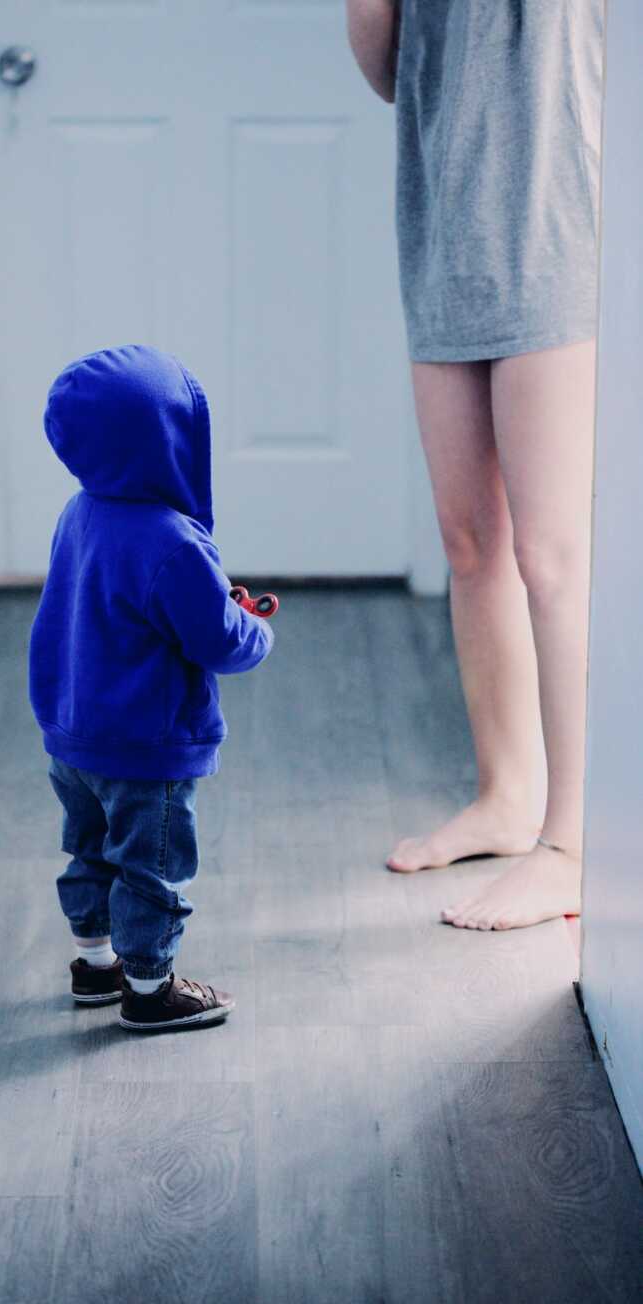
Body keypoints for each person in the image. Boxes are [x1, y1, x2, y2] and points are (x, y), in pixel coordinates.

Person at [347, 1, 604, 929]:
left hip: (557, 229)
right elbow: (387, 71)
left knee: (551, 554)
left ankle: (573, 843)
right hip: (445, 228)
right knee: (470, 540)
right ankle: (508, 794)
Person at [29, 345, 274, 1029]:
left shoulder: (79, 512)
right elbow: (221, 643)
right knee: (151, 866)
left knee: (88, 848)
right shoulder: (173, 542)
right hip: (145, 747)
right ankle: (148, 990)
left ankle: (95, 963)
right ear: (171, 440)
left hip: (73, 736)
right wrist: (252, 625)